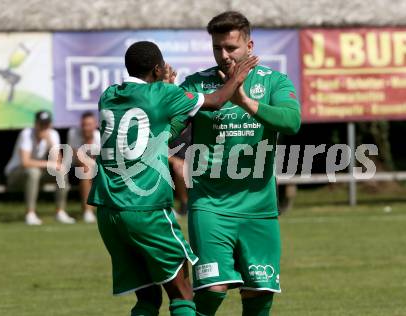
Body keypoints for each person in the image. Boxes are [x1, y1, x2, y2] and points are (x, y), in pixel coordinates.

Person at [87, 41, 258, 316]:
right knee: (182, 294)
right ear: (157, 69)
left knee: (147, 299)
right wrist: (238, 76)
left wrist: (167, 89)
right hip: (144, 207)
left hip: (108, 211)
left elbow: (158, 124)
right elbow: (214, 101)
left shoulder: (109, 95)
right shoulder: (163, 93)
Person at [179, 11, 301, 315]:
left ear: (249, 45)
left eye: (231, 48)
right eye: (217, 48)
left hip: (258, 207)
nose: (224, 55)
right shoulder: (197, 83)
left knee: (259, 293)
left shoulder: (274, 82)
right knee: (212, 290)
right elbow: (169, 127)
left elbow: (292, 121)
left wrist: (245, 101)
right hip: (209, 204)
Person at [5, 110, 75, 225]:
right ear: (35, 123)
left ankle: (60, 212)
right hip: (15, 175)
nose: (43, 127)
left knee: (61, 172)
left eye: (46, 124)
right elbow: (25, 162)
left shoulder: (53, 134)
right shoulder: (26, 134)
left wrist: (49, 142)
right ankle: (30, 214)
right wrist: (49, 164)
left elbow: (58, 163)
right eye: (41, 124)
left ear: (50, 124)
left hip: (38, 173)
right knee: (33, 172)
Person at [67, 111, 100, 223]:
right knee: (86, 170)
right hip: (72, 170)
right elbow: (78, 158)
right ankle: (87, 211)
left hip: (94, 170)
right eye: (84, 125)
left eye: (89, 125)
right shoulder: (73, 133)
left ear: (95, 124)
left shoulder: (99, 137)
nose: (86, 128)